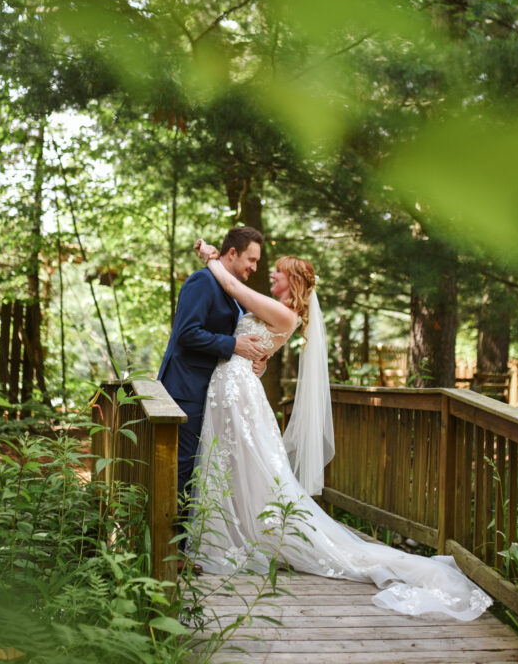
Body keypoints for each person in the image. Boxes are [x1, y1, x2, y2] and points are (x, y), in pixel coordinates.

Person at [186, 238, 493, 622]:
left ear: (292, 282)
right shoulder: (278, 313)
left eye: (278, 272)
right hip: (232, 388)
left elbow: (232, 287)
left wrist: (211, 257)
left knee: (248, 466)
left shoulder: (285, 316)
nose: (272, 275)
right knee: (237, 465)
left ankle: (231, 540)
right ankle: (232, 536)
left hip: (237, 394)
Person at [156, 226, 267, 505]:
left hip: (215, 394)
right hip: (186, 390)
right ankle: (176, 541)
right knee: (185, 468)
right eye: (251, 260)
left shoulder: (229, 289)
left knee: (205, 468)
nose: (254, 267)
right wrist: (234, 346)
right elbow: (186, 333)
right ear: (232, 253)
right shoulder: (202, 282)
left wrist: (252, 361)